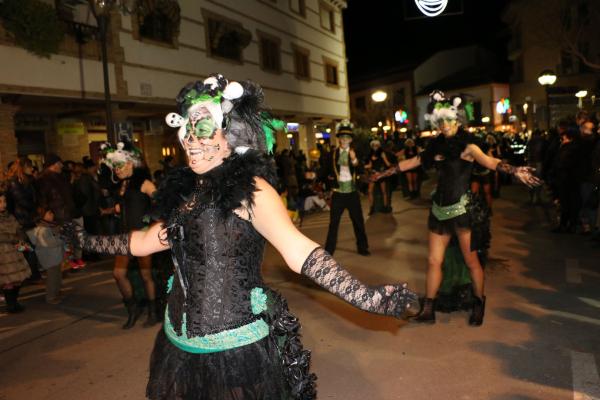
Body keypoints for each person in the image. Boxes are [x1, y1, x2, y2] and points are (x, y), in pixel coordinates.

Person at [63, 74, 418, 399]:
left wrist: (368, 298)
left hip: (234, 350)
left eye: (202, 126)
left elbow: (299, 252)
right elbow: (142, 243)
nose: (190, 138)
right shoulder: (185, 195)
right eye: (186, 127)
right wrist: (85, 239)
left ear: (229, 134)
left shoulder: (253, 190)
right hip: (179, 344)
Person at [373, 90, 541, 326]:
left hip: (462, 213)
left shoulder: (469, 148)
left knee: (472, 262)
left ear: (458, 121)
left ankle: (478, 304)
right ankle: (428, 309)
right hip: (439, 212)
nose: (445, 126)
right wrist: (383, 173)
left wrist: (514, 170)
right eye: (440, 122)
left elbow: (490, 162)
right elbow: (412, 162)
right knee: (433, 261)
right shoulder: (435, 148)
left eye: (449, 120)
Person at [99, 140, 158, 329]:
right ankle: (133, 310)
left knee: (146, 275)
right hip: (124, 236)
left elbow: (161, 202)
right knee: (118, 274)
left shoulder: (144, 182)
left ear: (131, 163)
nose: (116, 170)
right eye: (114, 167)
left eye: (120, 166)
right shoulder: (121, 185)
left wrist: (151, 224)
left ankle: (153, 312)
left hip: (142, 236)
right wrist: (114, 209)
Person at [323, 121, 370, 256]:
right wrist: (321, 179)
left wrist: (354, 160)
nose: (344, 140)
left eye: (347, 138)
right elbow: (324, 171)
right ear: (338, 139)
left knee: (358, 222)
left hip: (352, 193)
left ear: (351, 139)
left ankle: (363, 247)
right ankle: (329, 250)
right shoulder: (332, 154)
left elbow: (361, 170)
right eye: (342, 137)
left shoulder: (356, 153)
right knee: (333, 224)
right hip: (338, 194)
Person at [5, 157, 42, 281]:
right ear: (23, 167)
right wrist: (36, 209)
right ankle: (32, 276)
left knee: (29, 249)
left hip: (28, 220)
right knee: (27, 250)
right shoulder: (14, 182)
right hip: (20, 222)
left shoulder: (27, 181)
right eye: (29, 166)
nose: (32, 169)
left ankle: (31, 275)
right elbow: (22, 201)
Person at [0, 191, 31, 313]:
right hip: (3, 254)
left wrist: (22, 242)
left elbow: (18, 229)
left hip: (15, 250)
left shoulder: (9, 216)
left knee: (19, 279)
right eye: (0, 202)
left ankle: (15, 302)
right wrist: (12, 238)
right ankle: (10, 304)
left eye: (4, 201)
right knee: (8, 281)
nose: (3, 204)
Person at [28, 207, 64, 304]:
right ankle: (51, 297)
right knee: (52, 277)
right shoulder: (42, 229)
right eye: (49, 213)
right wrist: (61, 238)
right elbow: (49, 243)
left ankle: (56, 292)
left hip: (55, 256)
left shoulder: (50, 226)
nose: (52, 215)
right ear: (42, 215)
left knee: (57, 275)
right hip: (49, 257)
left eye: (52, 213)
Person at [364, 139, 392, 214]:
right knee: (370, 191)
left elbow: (388, 164)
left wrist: (384, 160)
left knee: (384, 191)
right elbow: (370, 165)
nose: (375, 146)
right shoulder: (370, 154)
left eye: (376, 145)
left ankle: (386, 207)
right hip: (373, 174)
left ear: (379, 146)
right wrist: (363, 166)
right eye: (373, 145)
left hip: (381, 174)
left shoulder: (382, 153)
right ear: (371, 146)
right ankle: (372, 208)